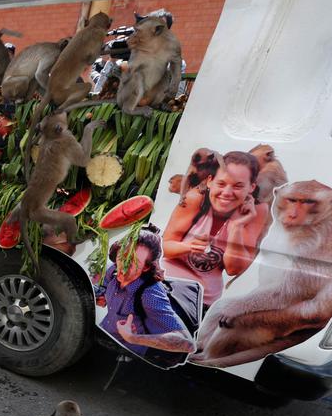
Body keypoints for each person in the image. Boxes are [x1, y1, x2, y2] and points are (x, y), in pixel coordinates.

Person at [162, 150, 266, 308]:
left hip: (201, 302)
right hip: (164, 285)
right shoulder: (195, 198)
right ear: (210, 181)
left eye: (238, 186)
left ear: (251, 187)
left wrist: (236, 227)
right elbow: (164, 247)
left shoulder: (256, 212)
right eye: (221, 184)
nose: (227, 193)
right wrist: (189, 247)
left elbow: (233, 269)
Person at [96, 227, 196, 365]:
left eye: (133, 262)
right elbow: (104, 288)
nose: (123, 266)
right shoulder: (112, 270)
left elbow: (187, 344)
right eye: (123, 256)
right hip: (103, 336)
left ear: (146, 267)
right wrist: (101, 296)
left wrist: (132, 338)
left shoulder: (150, 294)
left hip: (126, 355)